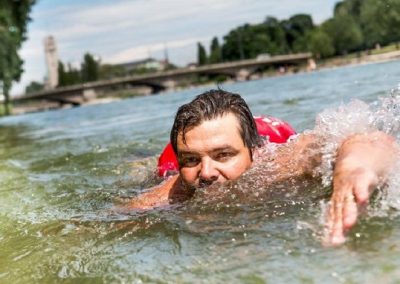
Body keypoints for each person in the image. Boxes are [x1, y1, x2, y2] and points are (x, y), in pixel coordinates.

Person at [124, 89, 398, 245]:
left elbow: (363, 139)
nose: (206, 173)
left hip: (265, 132)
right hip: (170, 159)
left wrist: (351, 168)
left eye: (223, 155)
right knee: (148, 168)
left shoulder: (282, 162)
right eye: (192, 160)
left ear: (254, 152)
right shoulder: (174, 187)